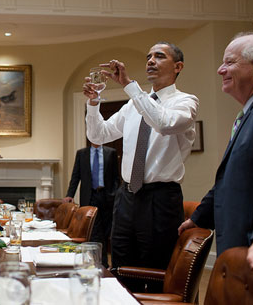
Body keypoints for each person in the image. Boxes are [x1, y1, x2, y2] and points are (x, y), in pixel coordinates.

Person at [83, 42, 199, 277]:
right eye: (148, 56)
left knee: (156, 270)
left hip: (161, 199)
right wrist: (94, 104)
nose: (150, 60)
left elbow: (164, 124)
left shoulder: (186, 102)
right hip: (126, 198)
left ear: (178, 66)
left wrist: (128, 85)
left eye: (159, 56)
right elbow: (98, 135)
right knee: (121, 269)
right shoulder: (132, 105)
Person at [178, 32, 253, 269]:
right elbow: (231, 178)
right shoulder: (248, 113)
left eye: (230, 62)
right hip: (238, 246)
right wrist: (199, 218)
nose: (220, 70)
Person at [63, 141, 120, 268]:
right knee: (94, 231)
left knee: (106, 231)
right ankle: (99, 263)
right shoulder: (82, 154)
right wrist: (69, 195)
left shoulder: (110, 152)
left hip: (107, 196)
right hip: (89, 196)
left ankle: (103, 263)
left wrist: (115, 194)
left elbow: (116, 177)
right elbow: (75, 176)